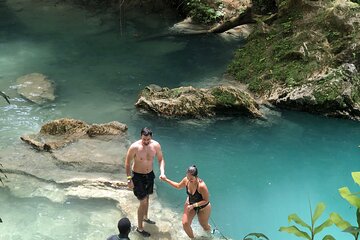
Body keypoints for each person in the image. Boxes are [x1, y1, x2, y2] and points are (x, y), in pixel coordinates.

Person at [124, 127, 166, 237]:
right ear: (141, 136)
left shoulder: (156, 145)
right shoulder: (134, 147)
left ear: (151, 137)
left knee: (147, 197)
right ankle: (140, 228)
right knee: (142, 202)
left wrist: (162, 172)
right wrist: (129, 179)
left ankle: (145, 217)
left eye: (148, 140)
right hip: (137, 176)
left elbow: (161, 159)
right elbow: (127, 163)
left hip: (149, 175)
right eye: (144, 139)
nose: (146, 142)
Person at [162, 165, 211, 239]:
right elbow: (178, 186)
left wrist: (194, 205)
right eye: (188, 177)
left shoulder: (201, 186)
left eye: (191, 179)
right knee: (185, 223)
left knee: (204, 225)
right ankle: (193, 238)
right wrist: (166, 180)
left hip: (203, 207)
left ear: (196, 176)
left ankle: (209, 236)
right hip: (190, 203)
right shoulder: (186, 180)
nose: (189, 180)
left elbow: (206, 200)